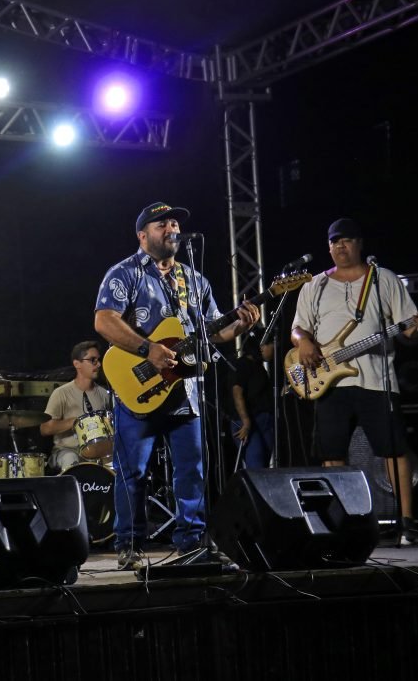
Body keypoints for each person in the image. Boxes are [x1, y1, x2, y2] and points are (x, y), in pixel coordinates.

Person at [95, 201, 260, 568]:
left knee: (192, 470)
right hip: (137, 388)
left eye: (174, 223)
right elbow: (104, 321)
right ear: (143, 235)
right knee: (132, 472)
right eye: (161, 224)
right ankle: (130, 545)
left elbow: (217, 330)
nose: (171, 228)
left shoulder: (194, 279)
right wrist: (146, 348)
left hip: (184, 390)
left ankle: (193, 543)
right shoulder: (124, 273)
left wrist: (241, 325)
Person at [290, 217, 418, 543]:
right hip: (329, 382)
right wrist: (304, 342)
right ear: (328, 246)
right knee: (332, 453)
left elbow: (407, 328)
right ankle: (339, 524)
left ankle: (407, 523)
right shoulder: (315, 285)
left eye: (347, 240)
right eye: (335, 241)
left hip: (376, 381)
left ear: (360, 243)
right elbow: (298, 328)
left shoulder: (383, 279)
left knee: (394, 450)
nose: (341, 246)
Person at [40, 340, 112, 472]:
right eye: (92, 360)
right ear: (77, 364)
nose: (99, 364)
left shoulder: (103, 394)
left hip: (98, 451)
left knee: (116, 464)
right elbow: (45, 428)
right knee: (70, 459)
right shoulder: (61, 393)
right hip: (67, 451)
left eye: (99, 359)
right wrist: (73, 422)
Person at [229, 331, 276, 470]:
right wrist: (246, 422)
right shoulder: (243, 364)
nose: (274, 349)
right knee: (256, 465)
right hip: (247, 422)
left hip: (263, 421)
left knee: (264, 467)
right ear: (261, 346)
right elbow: (237, 393)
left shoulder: (259, 366)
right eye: (272, 345)